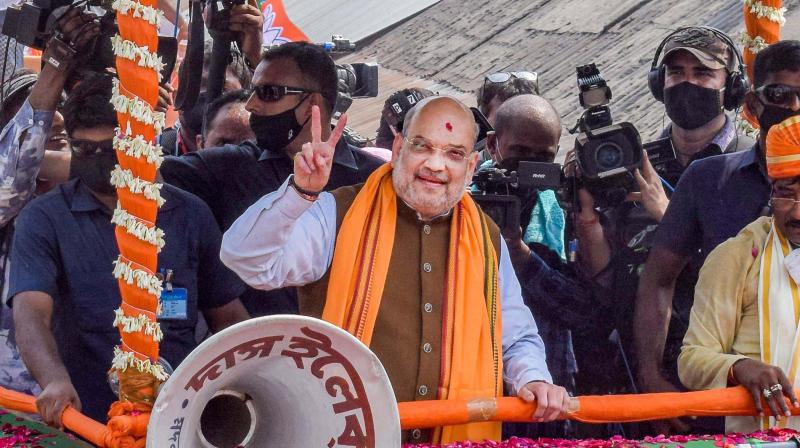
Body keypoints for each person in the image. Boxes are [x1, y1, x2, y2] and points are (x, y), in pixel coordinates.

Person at [220, 96, 568, 444]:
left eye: (453, 154)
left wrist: (533, 378)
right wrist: (299, 193)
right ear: (399, 146)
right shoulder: (337, 213)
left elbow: (516, 337)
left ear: (472, 165)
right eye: (423, 146)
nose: (436, 165)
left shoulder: (488, 238)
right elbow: (248, 260)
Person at [8, 73, 250, 426]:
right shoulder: (44, 219)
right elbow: (30, 316)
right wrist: (54, 379)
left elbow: (228, 317)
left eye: (111, 149)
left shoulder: (191, 214)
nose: (98, 161)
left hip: (179, 420)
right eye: (84, 150)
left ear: (141, 141)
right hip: (86, 422)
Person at [635, 39, 800, 433]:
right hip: (716, 402)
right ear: (753, 103)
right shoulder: (709, 179)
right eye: (780, 94)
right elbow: (659, 279)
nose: (794, 106)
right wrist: (651, 379)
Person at [161, 42, 384, 317]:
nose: (252, 104)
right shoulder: (227, 168)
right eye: (253, 90)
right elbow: (144, 176)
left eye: (268, 93)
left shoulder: (376, 179)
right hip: (256, 352)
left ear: (311, 104)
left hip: (351, 349)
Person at [678, 113, 800, 433]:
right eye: (786, 193)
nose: (798, 212)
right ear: (771, 194)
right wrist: (739, 368)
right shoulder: (739, 256)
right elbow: (691, 360)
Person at [0, 9, 98, 398]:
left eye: (60, 104)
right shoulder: (10, 209)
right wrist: (53, 68)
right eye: (35, 110)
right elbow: (12, 175)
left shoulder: (104, 194)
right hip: (21, 397)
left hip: (100, 389)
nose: (52, 118)